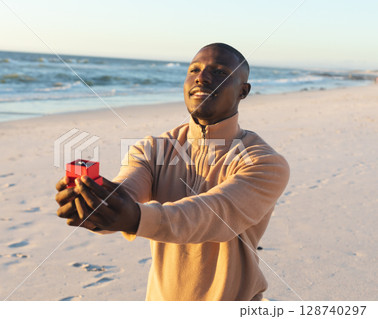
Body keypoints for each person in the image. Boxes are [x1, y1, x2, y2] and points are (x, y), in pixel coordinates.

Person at [55, 43, 290, 301]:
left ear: (243, 91)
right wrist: (97, 204)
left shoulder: (265, 163)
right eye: (194, 70)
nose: (202, 77)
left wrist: (132, 217)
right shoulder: (152, 149)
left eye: (220, 72)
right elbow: (127, 191)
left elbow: (213, 216)